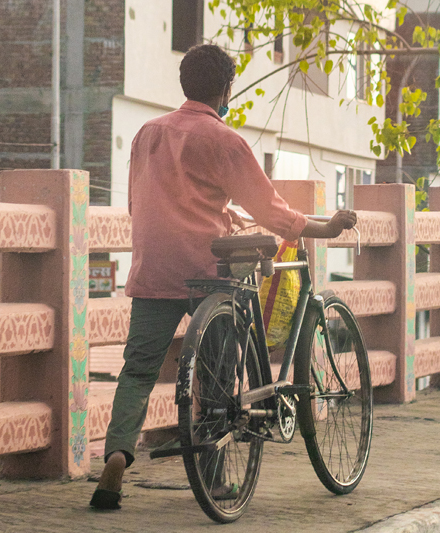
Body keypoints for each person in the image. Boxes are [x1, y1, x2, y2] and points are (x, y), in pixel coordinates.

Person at [90, 43, 357, 510]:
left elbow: (143, 203)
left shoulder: (146, 134)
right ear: (226, 88)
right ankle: (214, 481)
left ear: (185, 84)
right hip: (207, 270)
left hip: (152, 267)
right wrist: (325, 227)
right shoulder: (225, 140)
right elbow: (272, 212)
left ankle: (115, 458)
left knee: (137, 371)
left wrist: (219, 212)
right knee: (217, 378)